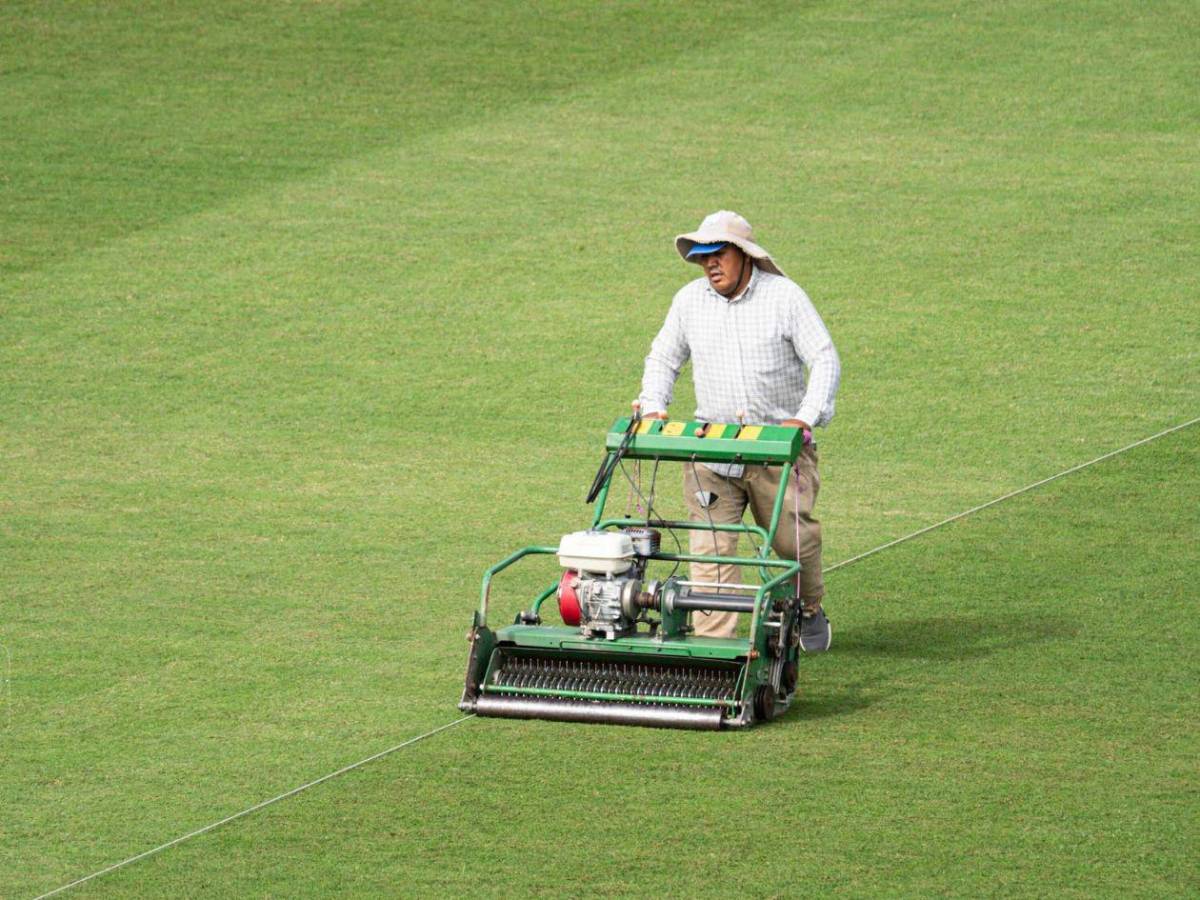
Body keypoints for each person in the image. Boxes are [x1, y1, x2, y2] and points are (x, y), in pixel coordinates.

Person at [637, 210, 841, 651]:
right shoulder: (688, 302)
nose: (709, 263)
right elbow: (663, 358)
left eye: (718, 253)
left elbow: (824, 357)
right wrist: (653, 407)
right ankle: (716, 651)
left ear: (744, 254)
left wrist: (805, 417)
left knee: (793, 544)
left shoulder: (784, 297)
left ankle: (808, 607)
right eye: (702, 256)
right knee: (710, 553)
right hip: (713, 452)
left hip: (778, 451)